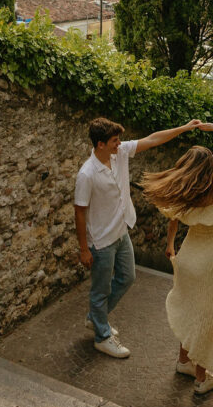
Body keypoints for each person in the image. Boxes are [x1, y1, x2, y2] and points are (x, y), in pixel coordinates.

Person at [74, 114, 204, 359]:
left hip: (121, 232)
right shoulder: (87, 174)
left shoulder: (120, 153)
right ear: (100, 144)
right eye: (114, 140)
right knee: (99, 291)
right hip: (101, 241)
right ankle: (102, 336)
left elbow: (153, 139)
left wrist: (185, 128)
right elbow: (79, 212)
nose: (119, 144)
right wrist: (84, 248)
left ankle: (96, 318)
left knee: (127, 277)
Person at [141, 122, 213, 395]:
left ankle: (184, 362)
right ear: (212, 168)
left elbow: (173, 222)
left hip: (186, 255)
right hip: (206, 263)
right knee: (205, 316)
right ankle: (202, 378)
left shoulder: (186, 195)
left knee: (189, 309)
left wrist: (171, 246)